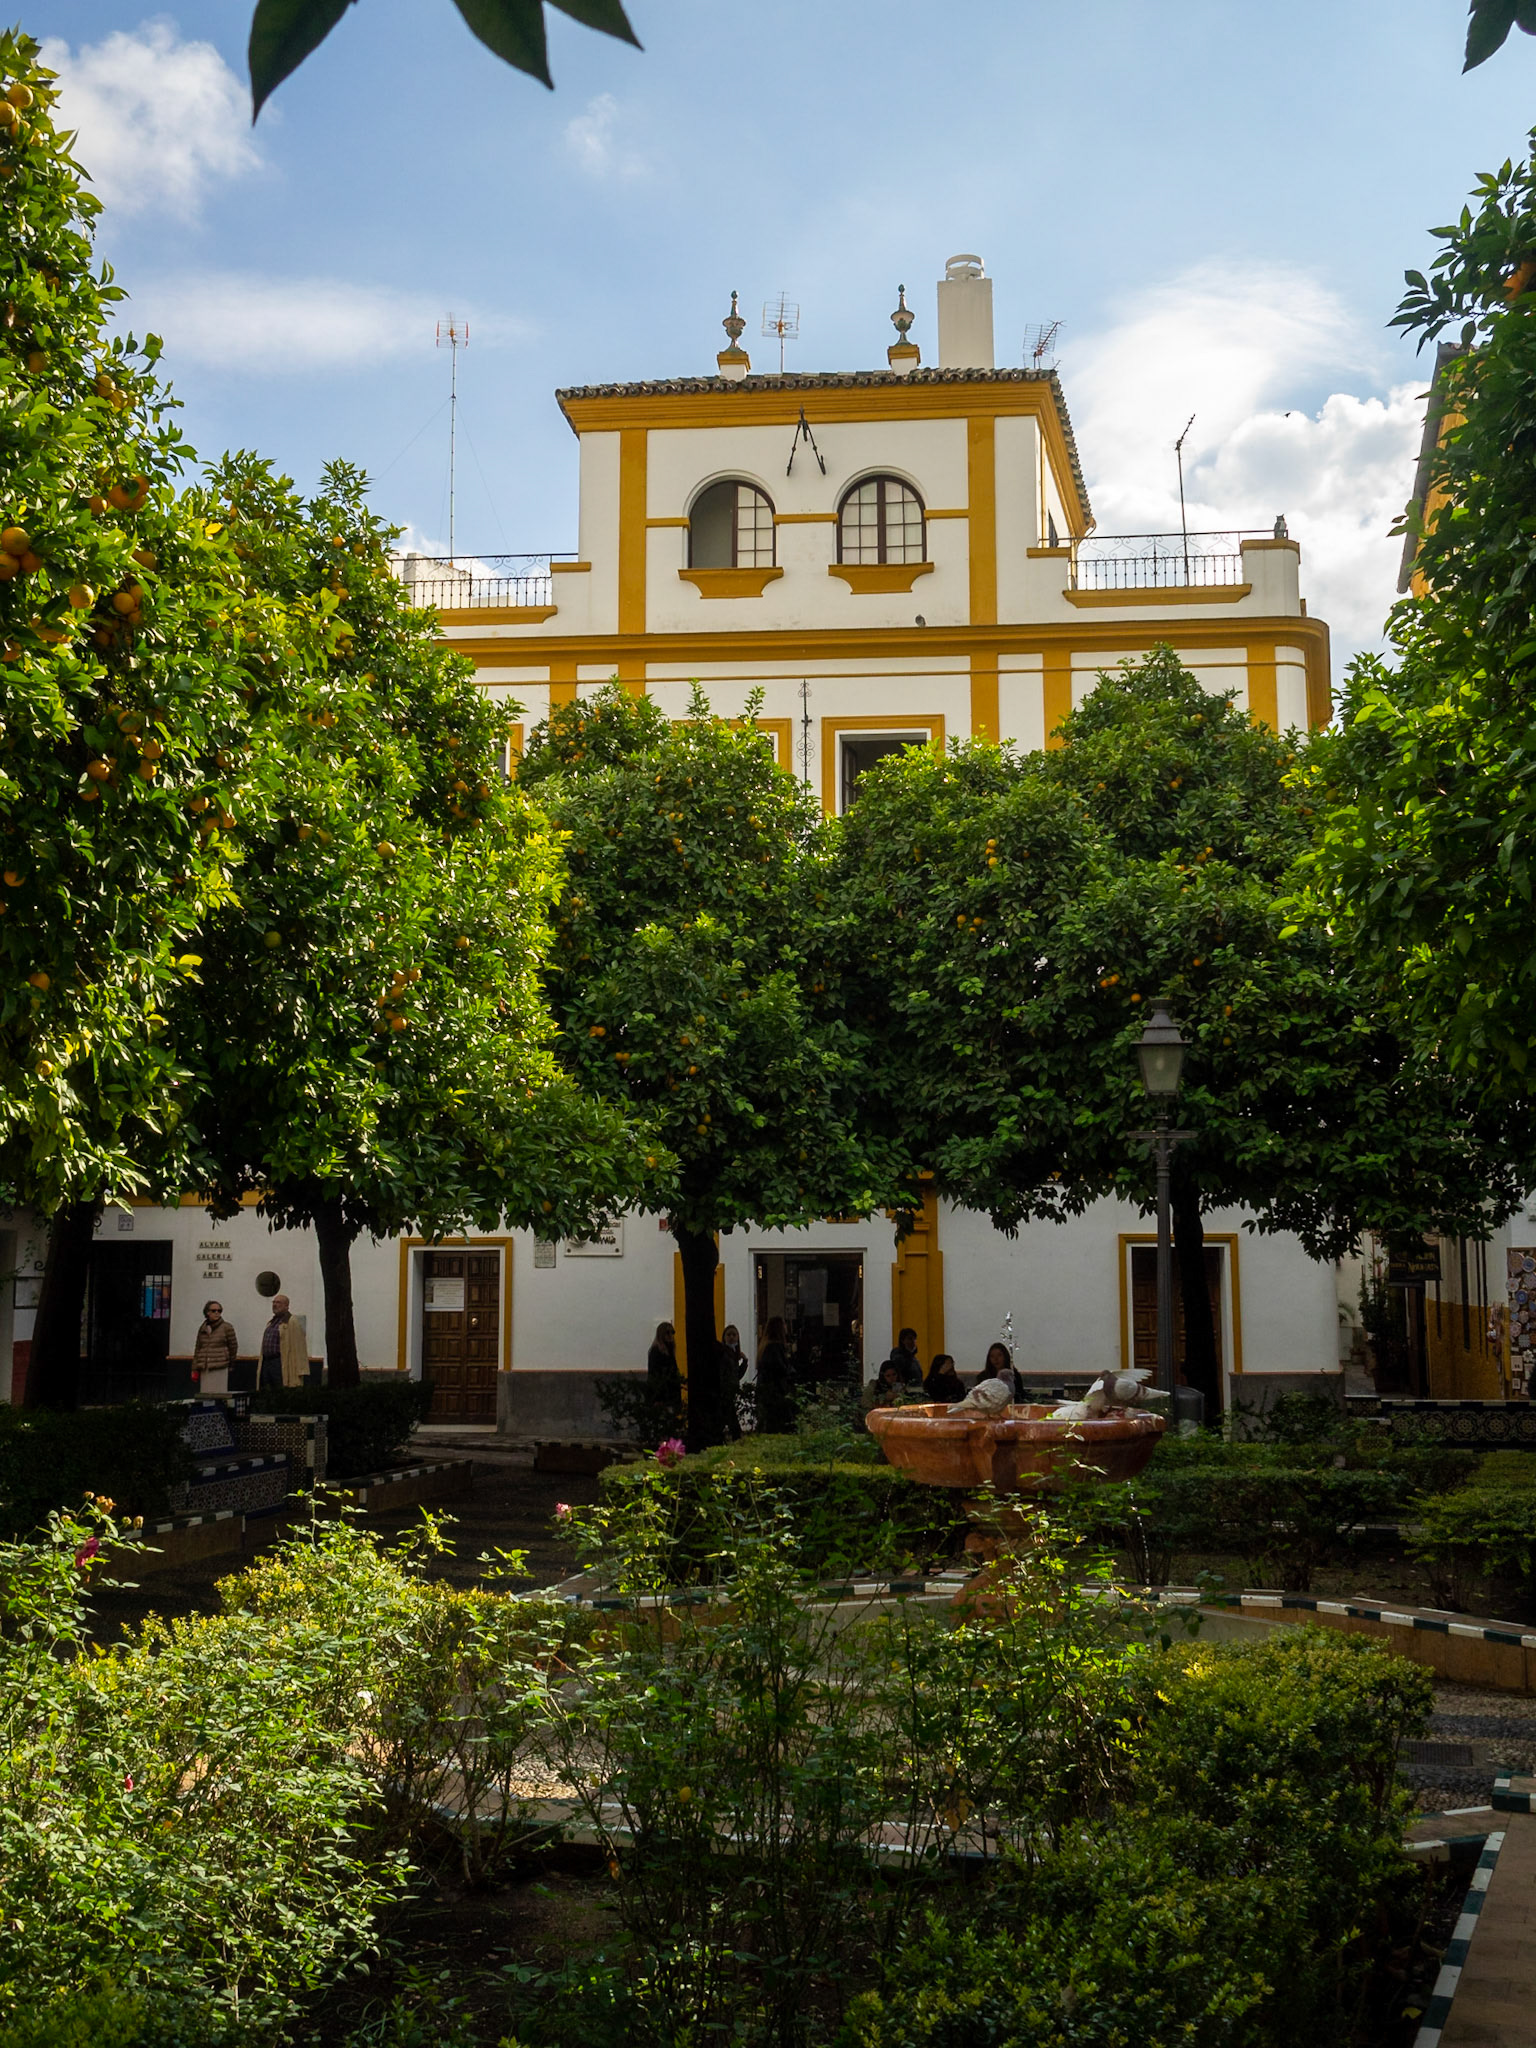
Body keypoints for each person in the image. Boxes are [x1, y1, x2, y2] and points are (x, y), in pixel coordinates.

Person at [258, 1293, 308, 1392]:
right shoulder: (271, 1322)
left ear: (286, 1306)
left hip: (280, 1362)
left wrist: (300, 1369)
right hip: (267, 1362)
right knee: (266, 1389)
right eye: (274, 1302)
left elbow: (299, 1346)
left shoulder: (292, 1321)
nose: (275, 1305)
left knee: (279, 1389)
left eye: (278, 1302)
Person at [755, 1315, 795, 1435]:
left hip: (767, 1393)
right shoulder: (775, 1347)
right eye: (783, 1324)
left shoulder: (765, 1346)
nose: (786, 1327)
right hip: (776, 1393)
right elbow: (781, 1369)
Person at [192, 1300, 238, 1397]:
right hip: (205, 1367)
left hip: (220, 1366)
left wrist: (231, 1364)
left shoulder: (227, 1327)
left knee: (219, 1396)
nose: (217, 1313)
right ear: (207, 1312)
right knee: (205, 1396)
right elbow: (198, 1348)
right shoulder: (203, 1328)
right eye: (214, 1310)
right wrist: (195, 1368)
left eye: (219, 1310)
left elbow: (233, 1347)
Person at [646, 1321, 683, 1435]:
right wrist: (657, 1397)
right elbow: (654, 1375)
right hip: (662, 1394)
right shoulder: (656, 1351)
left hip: (671, 1393)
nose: (671, 1335)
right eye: (667, 1333)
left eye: (672, 1332)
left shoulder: (670, 1350)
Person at [720, 1324, 749, 1439]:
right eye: (729, 1335)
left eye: (734, 1335)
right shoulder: (724, 1353)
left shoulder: (733, 1354)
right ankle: (736, 1436)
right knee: (730, 1415)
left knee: (726, 1415)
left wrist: (744, 1363)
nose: (731, 1337)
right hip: (725, 1390)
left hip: (731, 1390)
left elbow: (736, 1376)